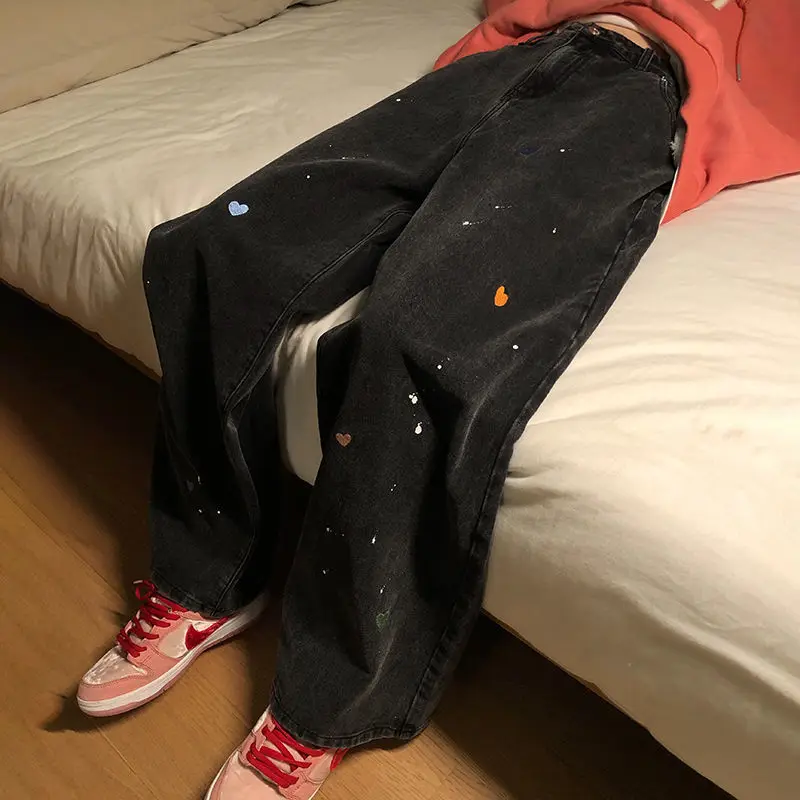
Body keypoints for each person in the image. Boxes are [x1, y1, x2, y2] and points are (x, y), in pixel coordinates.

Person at [77, 1, 800, 798]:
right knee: (215, 246)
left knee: (419, 336)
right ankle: (204, 575)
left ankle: (331, 701)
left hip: (640, 93)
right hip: (526, 56)